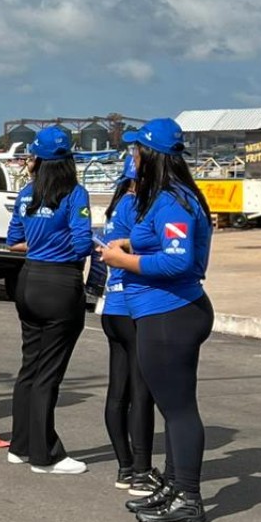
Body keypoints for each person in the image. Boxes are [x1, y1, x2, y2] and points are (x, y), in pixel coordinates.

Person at [101, 117, 214, 522]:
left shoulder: (172, 200)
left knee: (180, 410)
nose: (132, 156)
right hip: (159, 312)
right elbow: (163, 241)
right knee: (172, 407)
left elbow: (178, 259)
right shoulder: (166, 197)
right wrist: (130, 241)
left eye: (136, 150)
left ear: (151, 156)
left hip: (171, 314)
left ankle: (189, 496)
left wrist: (123, 260)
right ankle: (175, 484)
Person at [5, 126, 93, 475]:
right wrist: (57, 246)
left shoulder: (27, 193)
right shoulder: (75, 194)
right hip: (59, 281)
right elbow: (83, 243)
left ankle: (20, 444)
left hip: (29, 278)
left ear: (37, 159)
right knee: (49, 373)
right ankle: (45, 455)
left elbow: (14, 239)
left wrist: (42, 245)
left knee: (30, 365)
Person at [99, 156, 157, 494]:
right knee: (141, 394)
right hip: (133, 306)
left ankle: (124, 466)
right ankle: (141, 469)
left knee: (117, 391)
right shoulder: (138, 206)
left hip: (112, 304)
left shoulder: (116, 206)